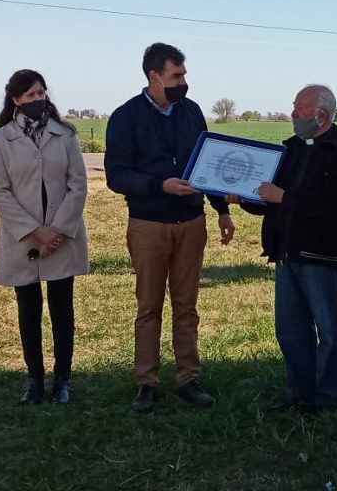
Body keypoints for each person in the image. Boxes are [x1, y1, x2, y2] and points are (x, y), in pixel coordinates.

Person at [105, 42, 236, 413]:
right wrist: (157, 185)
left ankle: (188, 379)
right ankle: (146, 382)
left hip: (191, 222)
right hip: (148, 223)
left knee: (186, 305)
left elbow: (207, 164)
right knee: (149, 306)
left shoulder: (191, 112)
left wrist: (221, 210)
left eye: (184, 74)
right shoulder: (125, 117)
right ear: (154, 76)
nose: (183, 82)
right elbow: (116, 175)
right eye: (176, 75)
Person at [230, 84, 337, 413]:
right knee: (290, 328)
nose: (293, 115)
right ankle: (299, 393)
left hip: (320, 254)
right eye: (294, 107)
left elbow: (334, 205)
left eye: (300, 109)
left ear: (321, 115)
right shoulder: (290, 150)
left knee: (327, 331)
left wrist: (283, 197)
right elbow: (269, 200)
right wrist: (243, 196)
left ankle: (327, 399)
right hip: (287, 251)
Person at [0, 69, 88, 405]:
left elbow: (78, 185)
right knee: (28, 311)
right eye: (30, 95)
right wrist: (35, 231)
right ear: (15, 99)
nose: (37, 100)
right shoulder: (2, 138)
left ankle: (63, 379)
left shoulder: (66, 135)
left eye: (41, 93)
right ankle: (34, 381)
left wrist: (58, 229)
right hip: (24, 240)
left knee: (63, 310)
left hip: (63, 238)